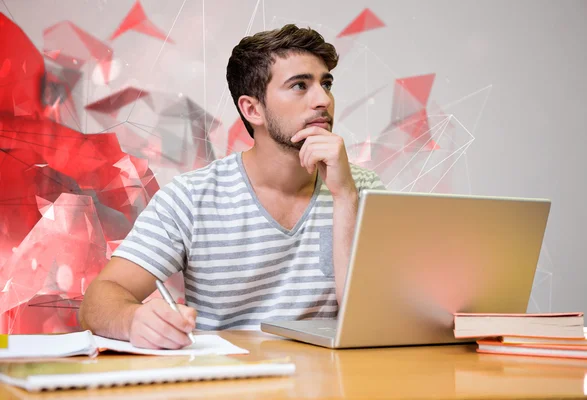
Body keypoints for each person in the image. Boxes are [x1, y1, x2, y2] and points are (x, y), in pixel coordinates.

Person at [80, 24, 385, 350]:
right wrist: (132, 320)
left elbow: (374, 318)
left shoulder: (361, 189)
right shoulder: (192, 197)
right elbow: (98, 300)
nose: (323, 100)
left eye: (326, 84)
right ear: (252, 109)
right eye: (300, 86)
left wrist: (344, 196)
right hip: (229, 382)